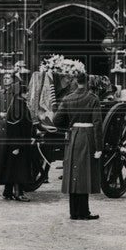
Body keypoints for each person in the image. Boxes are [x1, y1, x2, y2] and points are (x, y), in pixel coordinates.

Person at [53, 71, 103, 220]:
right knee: (84, 173)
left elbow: (57, 120)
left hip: (73, 136)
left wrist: (70, 124)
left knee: (74, 174)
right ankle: (84, 211)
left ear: (76, 81)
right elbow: (97, 123)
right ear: (87, 82)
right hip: (87, 136)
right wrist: (99, 147)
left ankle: (74, 211)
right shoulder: (93, 99)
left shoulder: (68, 98)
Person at [0, 75, 35, 202]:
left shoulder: (18, 103)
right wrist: (16, 146)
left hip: (16, 143)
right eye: (27, 93)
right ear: (22, 94)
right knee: (19, 168)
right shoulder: (18, 106)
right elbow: (15, 127)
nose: (28, 95)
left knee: (11, 167)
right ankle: (18, 193)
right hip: (18, 143)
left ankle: (7, 192)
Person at [0, 71, 15, 170]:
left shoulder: (15, 93)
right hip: (1, 123)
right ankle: (0, 173)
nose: (5, 79)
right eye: (4, 78)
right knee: (0, 148)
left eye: (8, 78)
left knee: (9, 146)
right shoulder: (0, 93)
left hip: (11, 123)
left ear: (12, 80)